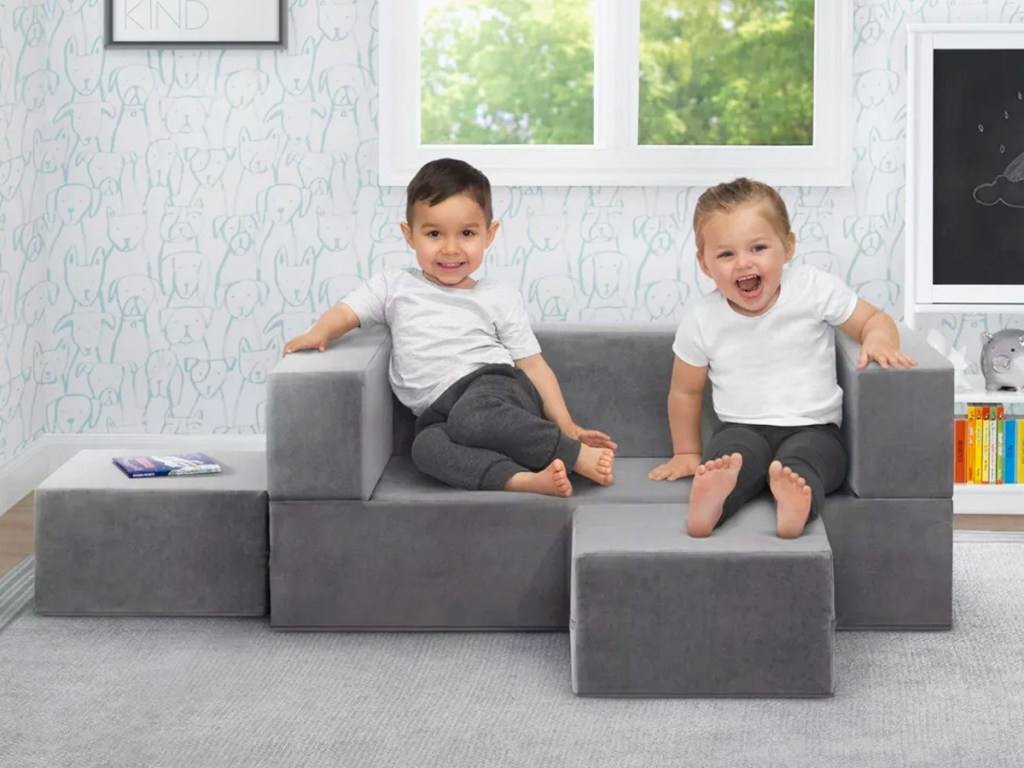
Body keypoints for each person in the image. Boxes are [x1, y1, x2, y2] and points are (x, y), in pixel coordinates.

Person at [284, 158, 616, 497]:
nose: (451, 248)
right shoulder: (394, 285)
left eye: (467, 234)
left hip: (493, 387)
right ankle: (524, 480)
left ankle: (573, 455)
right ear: (409, 235)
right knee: (425, 449)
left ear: (489, 235)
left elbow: (533, 366)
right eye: (433, 234)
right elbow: (349, 309)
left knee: (472, 417)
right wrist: (320, 331)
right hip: (436, 412)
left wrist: (568, 427)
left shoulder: (496, 296)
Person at [648, 178, 916, 538]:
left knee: (806, 464)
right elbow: (684, 391)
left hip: (814, 428)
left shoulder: (813, 289)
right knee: (730, 460)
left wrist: (880, 340)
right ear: (705, 264)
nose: (743, 263)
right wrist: (686, 453)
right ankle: (710, 508)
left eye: (758, 247)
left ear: (788, 246)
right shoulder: (702, 317)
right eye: (726, 254)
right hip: (740, 428)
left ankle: (794, 508)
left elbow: (873, 319)